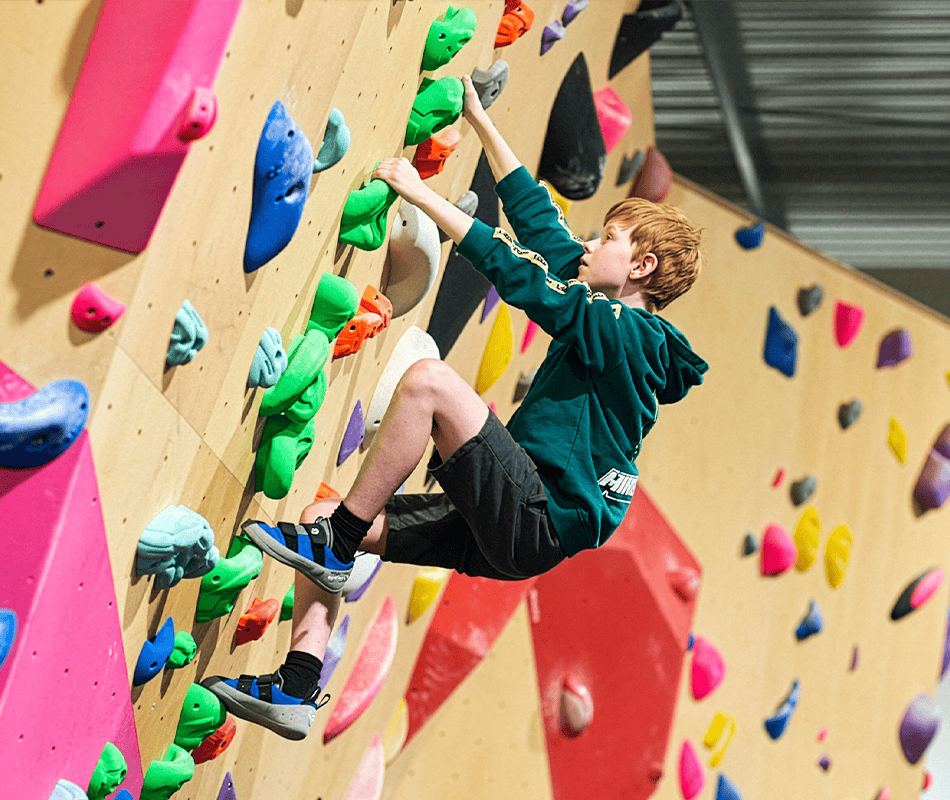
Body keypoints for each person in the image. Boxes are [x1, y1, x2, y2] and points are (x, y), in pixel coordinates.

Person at [202, 75, 708, 740]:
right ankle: (295, 686)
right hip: (512, 527)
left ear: (639, 268)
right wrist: (477, 118)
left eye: (607, 237)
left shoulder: (627, 334)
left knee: (429, 384)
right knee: (322, 514)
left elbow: (523, 276)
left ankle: (340, 544)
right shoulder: (606, 314)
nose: (589, 244)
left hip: (539, 517)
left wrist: (421, 195)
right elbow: (542, 229)